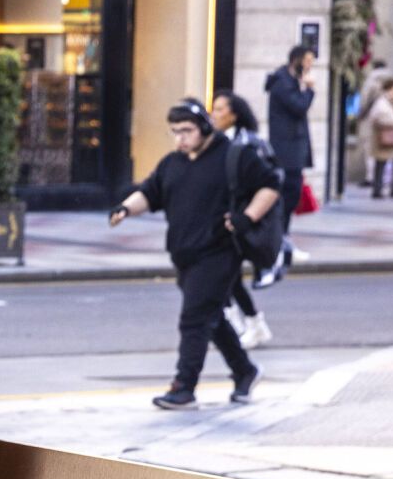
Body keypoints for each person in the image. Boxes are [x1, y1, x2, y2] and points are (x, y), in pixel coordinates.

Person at [110, 98, 277, 411]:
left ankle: (184, 387)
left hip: (219, 252)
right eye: (175, 132)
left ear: (203, 127)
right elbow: (150, 192)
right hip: (184, 255)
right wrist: (125, 208)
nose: (180, 138)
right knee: (210, 318)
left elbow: (270, 185)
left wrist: (247, 217)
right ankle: (245, 371)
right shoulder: (174, 162)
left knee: (194, 319)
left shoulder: (233, 156)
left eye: (186, 131)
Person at [209, 91, 281, 348]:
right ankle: (244, 322)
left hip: (242, 218)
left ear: (234, 114)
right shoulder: (215, 141)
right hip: (222, 216)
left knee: (227, 274)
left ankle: (250, 322)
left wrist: (248, 214)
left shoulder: (251, 143)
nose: (214, 114)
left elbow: (271, 181)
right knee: (226, 275)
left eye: (219, 109)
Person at [265, 46, 316, 231]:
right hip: (286, 148)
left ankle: (282, 233)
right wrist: (309, 90)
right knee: (289, 190)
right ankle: (279, 234)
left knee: (292, 191)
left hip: (292, 147)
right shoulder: (282, 82)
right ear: (298, 60)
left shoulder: (291, 81)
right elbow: (299, 106)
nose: (310, 65)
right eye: (308, 61)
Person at [368, 77, 393, 199]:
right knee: (380, 163)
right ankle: (377, 189)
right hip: (383, 138)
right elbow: (377, 116)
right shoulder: (382, 101)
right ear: (390, 88)